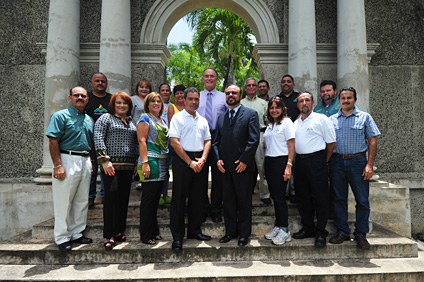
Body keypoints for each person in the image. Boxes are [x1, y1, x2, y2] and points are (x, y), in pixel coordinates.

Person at [328, 87, 381, 250]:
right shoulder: (331, 120)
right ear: (339, 102)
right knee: (338, 198)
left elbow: (372, 140)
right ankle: (343, 231)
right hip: (337, 162)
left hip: (358, 162)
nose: (345, 101)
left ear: (355, 100)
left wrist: (369, 165)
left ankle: (361, 234)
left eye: (349, 98)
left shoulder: (364, 117)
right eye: (343, 98)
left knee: (362, 200)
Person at [46, 86, 94, 251]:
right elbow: (53, 141)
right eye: (77, 95)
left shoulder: (89, 119)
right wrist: (57, 165)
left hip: (85, 160)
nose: (80, 97)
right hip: (66, 159)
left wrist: (91, 163)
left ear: (87, 99)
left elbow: (91, 143)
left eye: (83, 96)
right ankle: (62, 237)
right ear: (70, 97)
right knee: (63, 201)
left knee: (81, 200)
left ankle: (77, 233)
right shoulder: (60, 116)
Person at [213, 84, 260, 247]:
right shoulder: (221, 118)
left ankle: (243, 234)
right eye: (228, 93)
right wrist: (218, 159)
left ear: (240, 95)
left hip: (244, 167)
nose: (231, 95)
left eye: (234, 93)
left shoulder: (251, 114)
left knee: (244, 202)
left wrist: (245, 160)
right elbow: (216, 142)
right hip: (225, 168)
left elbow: (254, 139)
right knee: (228, 201)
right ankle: (230, 232)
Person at [169, 87, 212, 253]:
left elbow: (208, 140)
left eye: (196, 99)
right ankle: (178, 237)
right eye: (191, 99)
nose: (194, 102)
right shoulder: (178, 118)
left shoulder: (202, 120)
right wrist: (189, 162)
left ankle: (194, 231)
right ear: (184, 100)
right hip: (182, 162)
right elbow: (174, 142)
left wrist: (202, 159)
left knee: (198, 199)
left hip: (200, 161)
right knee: (179, 199)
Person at [94, 91, 138, 250]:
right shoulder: (105, 118)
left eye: (125, 103)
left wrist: (135, 164)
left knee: (123, 199)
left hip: (128, 167)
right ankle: (109, 235)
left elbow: (135, 143)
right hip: (111, 166)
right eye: (119, 103)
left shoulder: (131, 122)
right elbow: (98, 137)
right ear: (113, 104)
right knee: (111, 199)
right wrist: (104, 160)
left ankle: (119, 230)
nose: (122, 106)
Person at [292, 91, 336, 248]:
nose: (304, 103)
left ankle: (321, 232)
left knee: (320, 197)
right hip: (300, 163)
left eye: (307, 100)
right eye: (301, 101)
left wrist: (324, 160)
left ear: (312, 102)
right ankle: (308, 228)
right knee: (302, 197)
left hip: (317, 160)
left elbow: (331, 142)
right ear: (297, 104)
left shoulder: (321, 119)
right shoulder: (296, 123)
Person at [137, 92, 169, 245]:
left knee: (156, 199)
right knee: (148, 200)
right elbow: (142, 141)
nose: (156, 103)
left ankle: (154, 231)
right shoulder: (145, 118)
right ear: (147, 104)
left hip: (162, 162)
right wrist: (145, 163)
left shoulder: (162, 120)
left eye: (158, 101)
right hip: (150, 161)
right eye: (153, 101)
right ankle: (145, 234)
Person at [262, 97, 295, 245]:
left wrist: (288, 165)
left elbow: (291, 145)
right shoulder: (270, 125)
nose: (274, 110)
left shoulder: (287, 123)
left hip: (281, 162)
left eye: (277, 107)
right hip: (269, 162)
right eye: (271, 108)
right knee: (275, 196)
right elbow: (267, 148)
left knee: (280, 197)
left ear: (282, 109)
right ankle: (278, 226)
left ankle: (285, 230)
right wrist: (264, 166)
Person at [197, 67, 228, 223]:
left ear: (217, 80)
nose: (209, 79)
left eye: (212, 76)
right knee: (200, 176)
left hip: (218, 138)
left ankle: (216, 209)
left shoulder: (224, 97)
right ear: (203, 79)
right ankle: (202, 209)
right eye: (206, 76)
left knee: (218, 176)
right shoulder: (196, 97)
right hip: (199, 138)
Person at [240, 77, 270, 205]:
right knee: (242, 165)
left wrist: (267, 139)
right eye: (249, 85)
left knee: (261, 165)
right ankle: (243, 193)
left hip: (259, 135)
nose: (251, 87)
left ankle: (265, 194)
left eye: (253, 85)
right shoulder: (240, 103)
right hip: (243, 137)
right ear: (245, 88)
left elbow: (268, 121)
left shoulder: (264, 104)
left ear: (257, 88)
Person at [85, 72, 111, 209]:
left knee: (106, 168)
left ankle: (105, 195)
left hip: (108, 141)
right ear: (92, 83)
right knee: (92, 169)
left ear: (106, 84)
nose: (100, 83)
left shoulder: (111, 99)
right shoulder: (86, 98)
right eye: (97, 81)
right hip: (90, 141)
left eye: (103, 81)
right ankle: (90, 197)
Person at [277, 74, 300, 203]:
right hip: (281, 135)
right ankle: (284, 191)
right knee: (283, 164)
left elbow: (303, 112)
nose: (286, 83)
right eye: (283, 81)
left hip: (296, 135)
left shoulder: (298, 97)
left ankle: (293, 191)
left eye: (288, 82)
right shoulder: (277, 99)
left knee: (293, 164)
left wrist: (292, 124)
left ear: (293, 84)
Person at [132, 78, 153, 190]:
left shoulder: (151, 100)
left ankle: (145, 177)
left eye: (146, 87)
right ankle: (138, 179)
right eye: (142, 87)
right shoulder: (133, 100)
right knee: (138, 156)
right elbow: (129, 115)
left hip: (149, 133)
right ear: (137, 88)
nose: (144, 89)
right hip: (136, 133)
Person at [158, 83, 172, 206]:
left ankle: (165, 194)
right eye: (163, 90)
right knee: (158, 168)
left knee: (166, 169)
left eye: (167, 90)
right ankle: (158, 195)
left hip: (168, 139)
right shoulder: (156, 104)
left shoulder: (171, 106)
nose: (165, 92)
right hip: (157, 139)